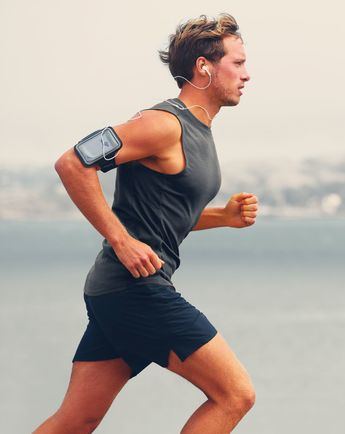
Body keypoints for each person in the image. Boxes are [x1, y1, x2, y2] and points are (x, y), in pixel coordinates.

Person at [33, 13, 257, 434]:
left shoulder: (198, 130)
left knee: (76, 421)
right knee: (235, 394)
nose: (248, 74)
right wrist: (120, 240)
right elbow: (72, 163)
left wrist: (222, 218)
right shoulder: (161, 124)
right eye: (239, 63)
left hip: (116, 292)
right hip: (135, 288)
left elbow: (161, 218)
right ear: (204, 67)